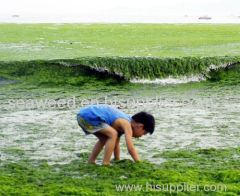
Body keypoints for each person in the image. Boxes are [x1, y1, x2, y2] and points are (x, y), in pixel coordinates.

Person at [76, 104, 155, 165]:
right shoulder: (126, 124)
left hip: (82, 116)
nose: (141, 136)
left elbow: (115, 144)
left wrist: (117, 159)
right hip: (89, 116)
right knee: (113, 134)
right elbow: (130, 148)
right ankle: (106, 163)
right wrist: (138, 162)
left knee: (106, 139)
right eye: (144, 133)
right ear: (140, 126)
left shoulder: (124, 123)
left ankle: (91, 161)